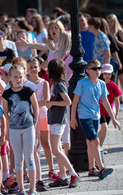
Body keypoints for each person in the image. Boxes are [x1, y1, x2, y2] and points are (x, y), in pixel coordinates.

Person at [71, 59, 121, 179]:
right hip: (84, 116)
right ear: (87, 71)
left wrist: (113, 118)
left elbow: (105, 101)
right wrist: (73, 118)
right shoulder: (82, 83)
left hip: (96, 116)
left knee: (90, 142)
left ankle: (91, 168)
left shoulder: (102, 84)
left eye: (99, 68)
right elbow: (75, 101)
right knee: (96, 141)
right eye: (95, 69)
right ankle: (102, 168)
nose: (98, 71)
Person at [2, 65, 39, 195]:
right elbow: (5, 113)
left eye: (20, 77)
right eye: (15, 77)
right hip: (14, 129)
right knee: (18, 159)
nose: (18, 79)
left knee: (30, 158)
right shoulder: (6, 94)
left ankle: (32, 189)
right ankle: (21, 189)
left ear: (24, 77)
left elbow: (36, 108)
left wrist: (34, 124)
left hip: (28, 127)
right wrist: (6, 130)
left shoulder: (29, 90)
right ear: (10, 78)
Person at [46, 59, 80, 188]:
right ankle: (63, 176)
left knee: (55, 149)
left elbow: (68, 102)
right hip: (55, 119)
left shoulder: (59, 85)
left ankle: (73, 173)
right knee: (58, 149)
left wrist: (52, 103)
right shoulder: (56, 84)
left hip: (58, 120)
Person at [27, 57, 52, 191]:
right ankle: (32, 172)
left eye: (35, 67)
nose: (33, 69)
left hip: (42, 116)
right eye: (30, 67)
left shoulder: (44, 83)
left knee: (45, 143)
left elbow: (46, 101)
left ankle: (51, 168)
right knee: (33, 146)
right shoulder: (24, 83)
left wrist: (33, 106)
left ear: (39, 68)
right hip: (29, 117)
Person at [106, 14, 123, 111]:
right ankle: (118, 102)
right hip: (112, 58)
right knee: (115, 81)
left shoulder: (120, 31)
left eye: (111, 21)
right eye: (108, 21)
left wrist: (117, 41)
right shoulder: (107, 32)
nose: (109, 23)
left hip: (121, 56)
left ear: (115, 21)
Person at [98, 64, 122, 153]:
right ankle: (92, 142)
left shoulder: (113, 85)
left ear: (112, 74)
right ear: (102, 74)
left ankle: (99, 147)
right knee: (104, 128)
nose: (107, 76)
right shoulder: (99, 84)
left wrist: (116, 114)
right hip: (99, 111)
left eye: (109, 74)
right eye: (105, 74)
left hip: (108, 112)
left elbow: (117, 101)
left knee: (104, 130)